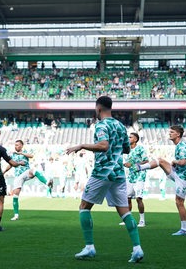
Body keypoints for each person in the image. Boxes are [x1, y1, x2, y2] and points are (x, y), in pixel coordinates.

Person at [66, 96, 143, 263]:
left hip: (102, 172)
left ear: (98, 108)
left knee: (84, 206)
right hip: (118, 173)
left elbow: (103, 145)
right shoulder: (121, 126)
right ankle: (137, 248)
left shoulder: (101, 125)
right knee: (124, 211)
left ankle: (89, 247)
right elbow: (127, 150)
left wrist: (81, 145)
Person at [137, 125, 186, 236]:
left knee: (179, 202)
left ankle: (184, 229)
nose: (169, 134)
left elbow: (183, 162)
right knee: (160, 161)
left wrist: (174, 161)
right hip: (178, 173)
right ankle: (141, 167)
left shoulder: (182, 146)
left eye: (172, 132)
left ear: (178, 134)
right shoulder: (179, 145)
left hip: (183, 177)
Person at [3, 140, 53, 221]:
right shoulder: (13, 155)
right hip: (18, 176)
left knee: (34, 170)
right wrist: (4, 172)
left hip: (26, 172)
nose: (16, 146)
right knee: (15, 196)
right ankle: (16, 215)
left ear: (22, 146)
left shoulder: (24, 152)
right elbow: (10, 165)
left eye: (18, 145)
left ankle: (47, 183)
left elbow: (31, 156)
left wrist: (21, 153)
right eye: (15, 145)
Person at [121, 132, 149, 227]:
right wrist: (126, 164)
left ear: (135, 139)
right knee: (127, 198)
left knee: (138, 198)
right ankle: (128, 220)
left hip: (140, 175)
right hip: (130, 176)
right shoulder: (127, 150)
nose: (128, 138)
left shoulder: (140, 148)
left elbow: (146, 161)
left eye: (130, 137)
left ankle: (142, 221)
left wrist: (132, 165)